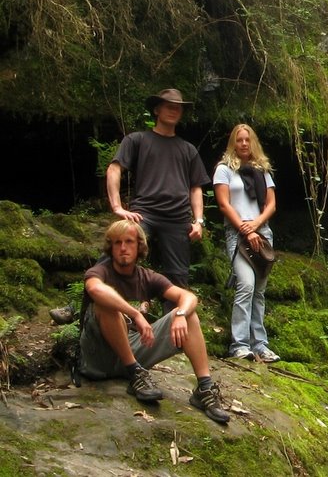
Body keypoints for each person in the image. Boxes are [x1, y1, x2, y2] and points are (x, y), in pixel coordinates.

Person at [78, 220, 231, 424]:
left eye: (129, 242)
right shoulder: (100, 271)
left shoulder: (147, 277)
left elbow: (188, 297)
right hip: (97, 357)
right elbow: (95, 289)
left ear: (139, 245)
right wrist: (135, 313)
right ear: (110, 247)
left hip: (132, 350)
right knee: (107, 304)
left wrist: (180, 315)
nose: (123, 248)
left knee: (188, 314)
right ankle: (135, 372)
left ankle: (204, 389)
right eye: (117, 243)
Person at [106, 88, 210, 307]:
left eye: (178, 107)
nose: (174, 110)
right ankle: (94, 303)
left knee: (178, 277)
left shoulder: (188, 149)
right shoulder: (137, 140)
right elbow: (114, 169)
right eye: (168, 106)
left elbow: (195, 187)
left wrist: (199, 221)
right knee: (119, 252)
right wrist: (117, 206)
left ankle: (172, 332)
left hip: (177, 218)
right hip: (144, 213)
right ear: (157, 109)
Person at [213, 123, 280, 362]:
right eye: (239, 140)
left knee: (259, 292)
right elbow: (224, 204)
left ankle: (260, 345)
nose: (243, 144)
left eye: (247, 140)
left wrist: (256, 225)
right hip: (238, 233)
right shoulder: (224, 170)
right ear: (233, 143)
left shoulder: (262, 170)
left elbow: (271, 204)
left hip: (262, 233)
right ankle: (239, 344)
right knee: (246, 286)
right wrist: (244, 228)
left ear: (253, 143)